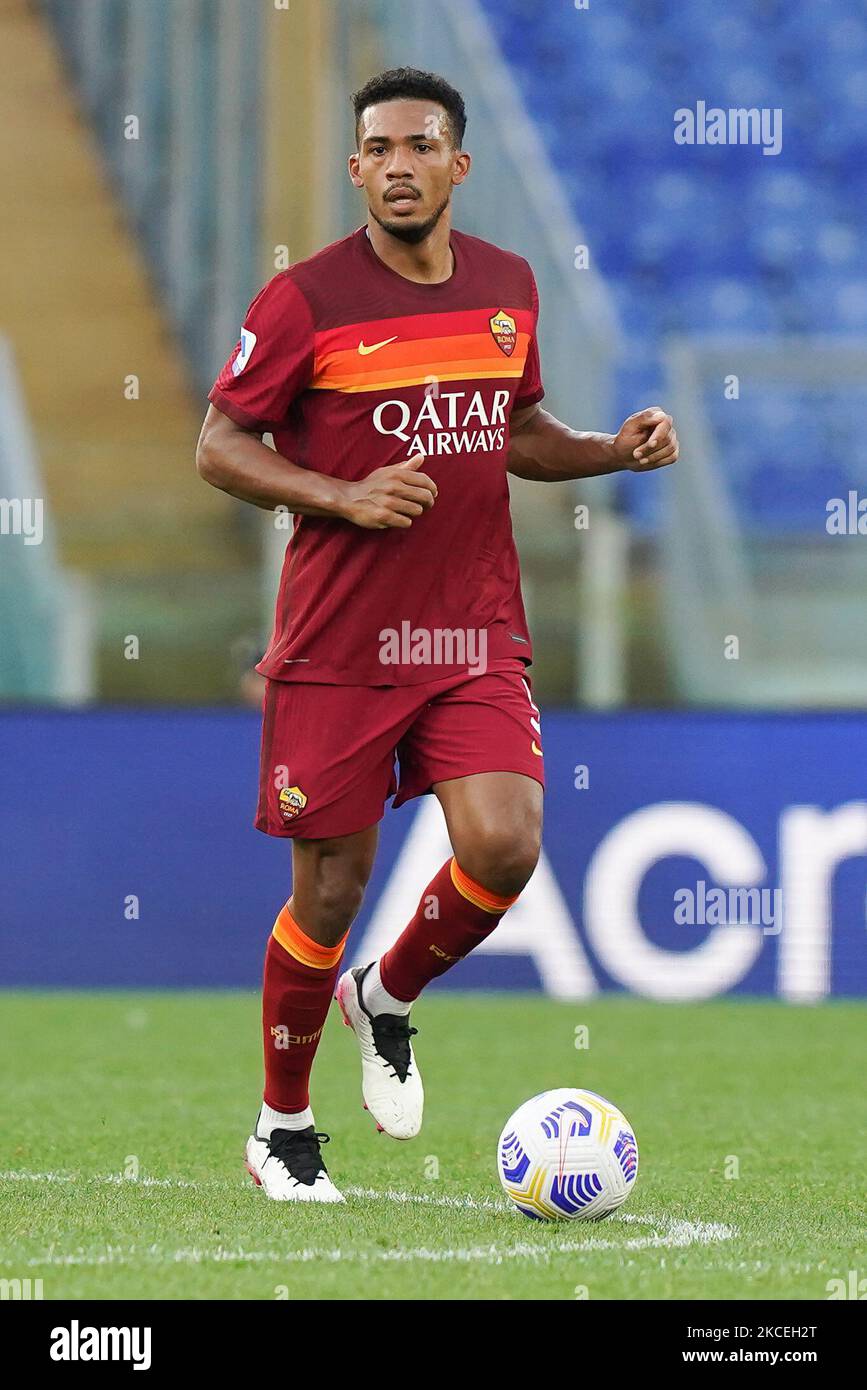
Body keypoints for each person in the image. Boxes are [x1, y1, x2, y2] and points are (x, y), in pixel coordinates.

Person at [196, 67, 678, 1202]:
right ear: (357, 167)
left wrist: (610, 449)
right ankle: (282, 1126)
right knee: (329, 890)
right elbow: (219, 445)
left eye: (422, 145)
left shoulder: (508, 286)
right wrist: (339, 494)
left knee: (506, 846)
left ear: (460, 164)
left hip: (470, 631)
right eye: (379, 147)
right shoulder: (305, 300)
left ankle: (389, 995)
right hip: (338, 644)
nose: (399, 163)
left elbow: (515, 430)